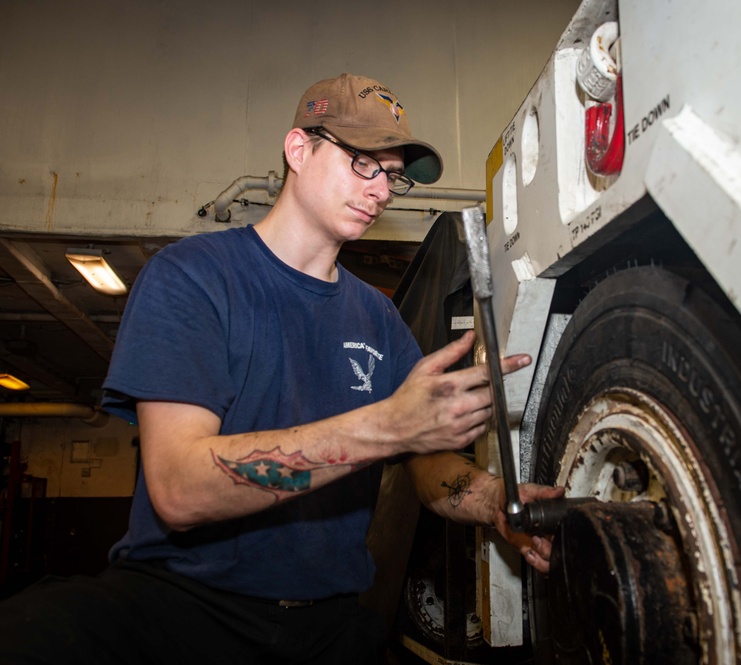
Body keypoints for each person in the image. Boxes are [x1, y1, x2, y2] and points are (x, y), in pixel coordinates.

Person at [0, 73, 562, 664]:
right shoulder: (193, 277)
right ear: (300, 149)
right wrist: (386, 425)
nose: (380, 190)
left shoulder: (378, 319)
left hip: (329, 621)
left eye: (391, 175)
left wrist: (494, 499)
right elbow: (179, 489)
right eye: (362, 163)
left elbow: (425, 463)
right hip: (184, 607)